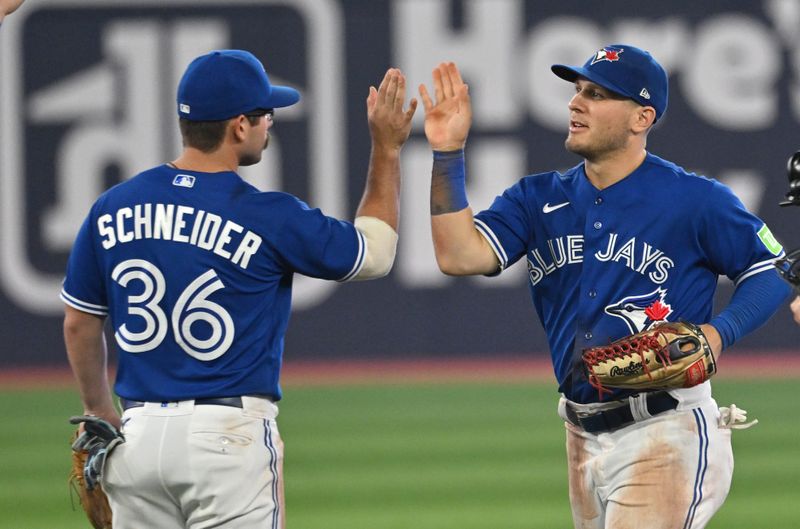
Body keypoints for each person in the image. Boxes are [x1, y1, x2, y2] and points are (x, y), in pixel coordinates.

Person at [418, 45, 791, 529]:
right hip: (581, 434)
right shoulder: (537, 198)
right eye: (576, 91)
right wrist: (447, 153)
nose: (576, 103)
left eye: (596, 94)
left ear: (642, 117)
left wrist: (719, 335)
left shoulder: (694, 200)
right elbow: (458, 254)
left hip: (666, 429)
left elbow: (772, 268)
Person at [62, 49, 416, 528]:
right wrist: (388, 149)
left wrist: (98, 408)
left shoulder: (113, 206)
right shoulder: (268, 214)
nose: (270, 124)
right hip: (227, 440)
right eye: (265, 114)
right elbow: (373, 254)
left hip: (138, 438)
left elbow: (80, 322)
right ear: (239, 126)